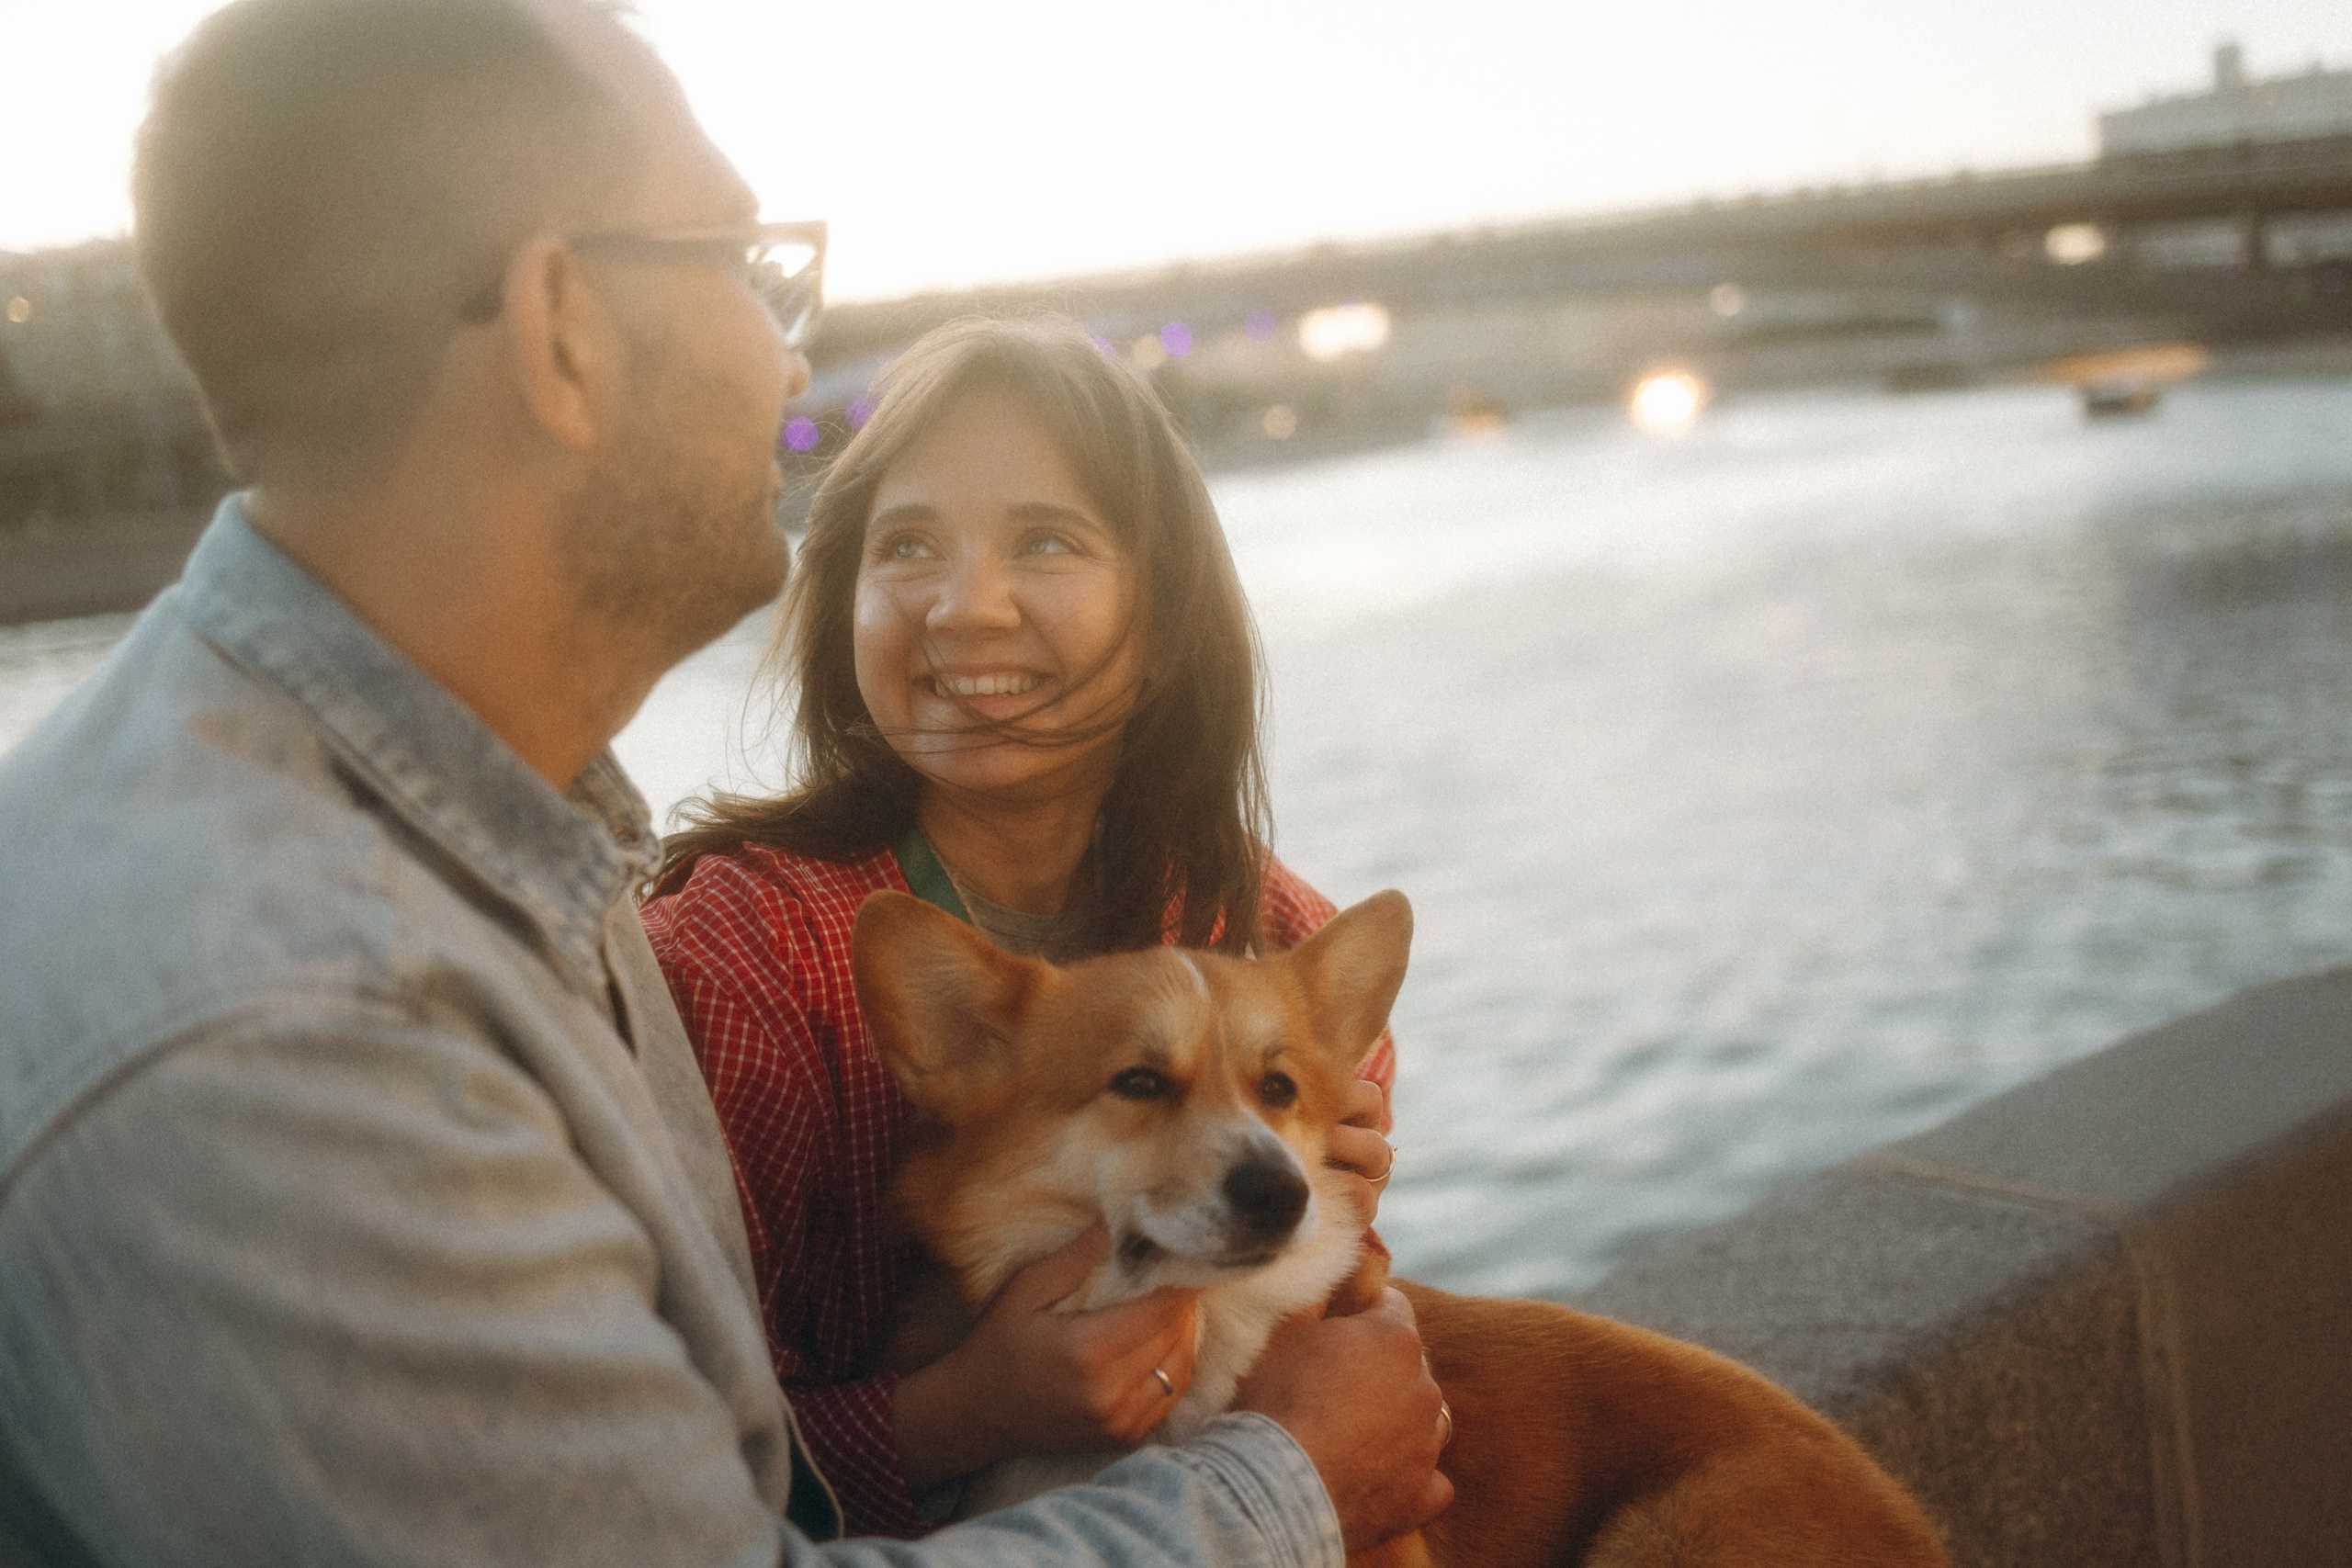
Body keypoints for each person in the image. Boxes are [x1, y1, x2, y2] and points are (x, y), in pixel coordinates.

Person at [0, 1, 1452, 1563]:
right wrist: (1285, 1490)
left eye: (1049, 543)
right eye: (750, 269)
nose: (792, 349)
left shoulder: (445, 849)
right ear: (563, 328)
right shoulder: (300, 1019)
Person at [642, 317, 1404, 1538]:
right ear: (845, 603)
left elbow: (1325, 1374)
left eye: (1045, 541)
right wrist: (964, 1411)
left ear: (1161, 624)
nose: (965, 608)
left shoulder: (1278, 936)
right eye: (906, 548)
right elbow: (623, 1472)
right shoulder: (735, 967)